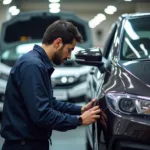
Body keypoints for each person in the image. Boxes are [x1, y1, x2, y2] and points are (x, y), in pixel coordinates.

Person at [1, 20, 101, 150]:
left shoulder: (37, 63)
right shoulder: (33, 66)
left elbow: (50, 103)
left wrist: (80, 109)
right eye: (69, 50)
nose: (69, 56)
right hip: (24, 146)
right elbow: (42, 115)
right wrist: (79, 120)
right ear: (58, 43)